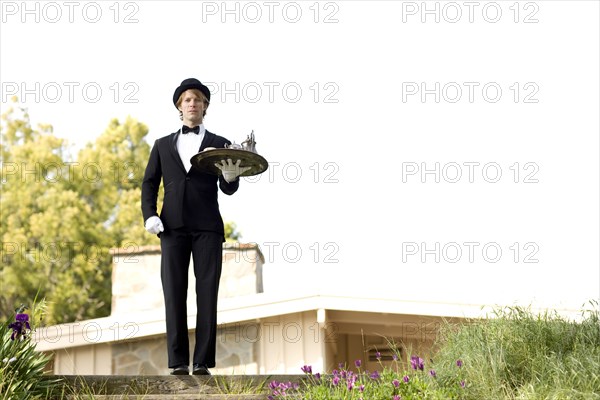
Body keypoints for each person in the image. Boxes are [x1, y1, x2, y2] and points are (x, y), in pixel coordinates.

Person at [141, 78, 249, 375]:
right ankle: (177, 362)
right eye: (187, 99)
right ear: (179, 106)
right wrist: (150, 214)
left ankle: (202, 362)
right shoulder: (162, 145)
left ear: (205, 106)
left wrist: (230, 177)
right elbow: (149, 183)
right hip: (171, 228)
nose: (192, 103)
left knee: (207, 293)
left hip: (207, 228)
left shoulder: (220, 142)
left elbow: (229, 189)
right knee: (174, 293)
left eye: (198, 99)